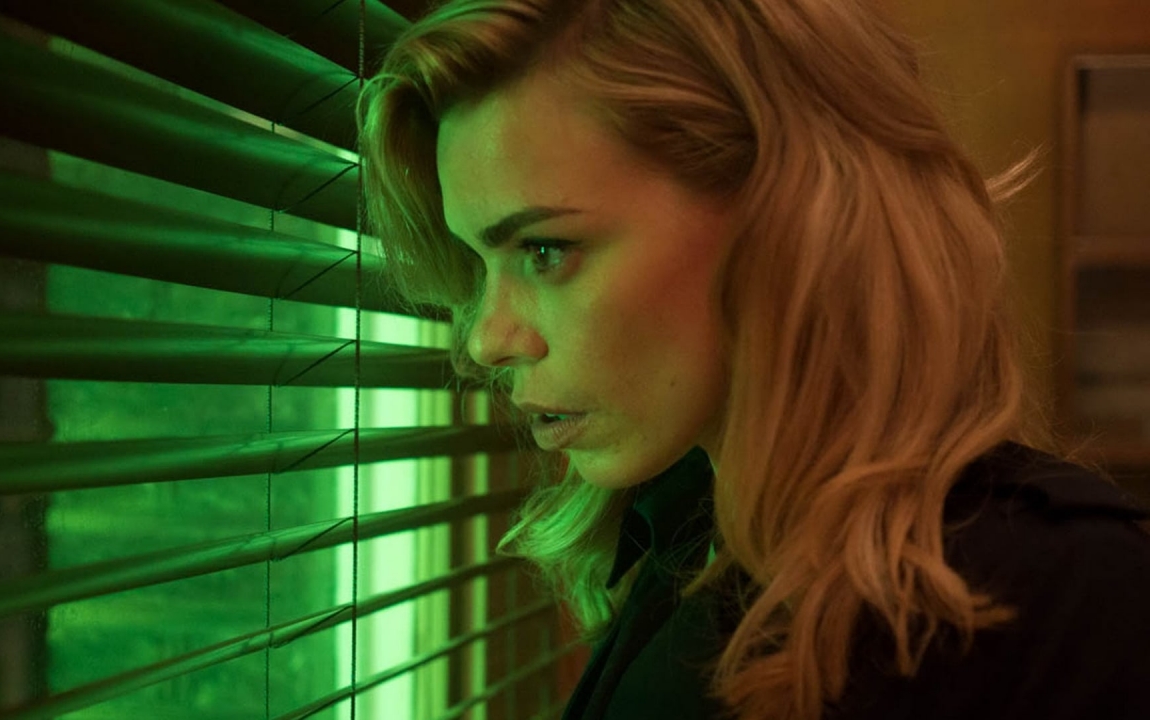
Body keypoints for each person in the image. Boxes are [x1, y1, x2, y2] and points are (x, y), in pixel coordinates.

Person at [355, 0, 1150, 718]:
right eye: (478, 264)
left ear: (789, 219)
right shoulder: (685, 542)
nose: (485, 338)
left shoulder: (1072, 600)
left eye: (544, 250)